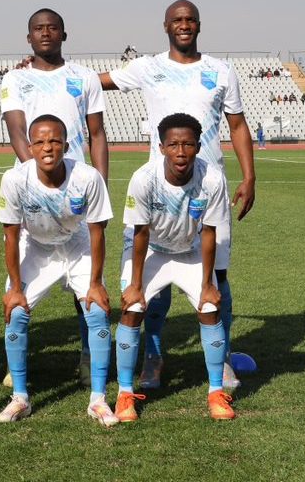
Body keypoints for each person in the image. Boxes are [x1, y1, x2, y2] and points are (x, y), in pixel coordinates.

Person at [100, 0, 255, 390]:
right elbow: (95, 81)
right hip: (160, 191)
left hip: (208, 189)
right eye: (177, 20)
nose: (183, 25)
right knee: (157, 278)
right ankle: (153, 357)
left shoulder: (220, 70)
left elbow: (237, 125)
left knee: (218, 277)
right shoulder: (148, 67)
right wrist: (44, 71)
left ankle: (222, 359)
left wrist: (249, 176)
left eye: (190, 20)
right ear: (165, 26)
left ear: (198, 25)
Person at [0, 8, 109, 388]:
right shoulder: (15, 78)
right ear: (28, 37)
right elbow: (18, 131)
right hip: (36, 197)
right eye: (38, 29)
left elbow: (97, 134)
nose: (45, 33)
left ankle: (87, 355)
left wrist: (99, 186)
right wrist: (39, 175)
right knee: (17, 289)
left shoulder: (84, 77)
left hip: (78, 195)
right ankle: (16, 367)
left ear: (64, 34)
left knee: (88, 287)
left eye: (52, 28)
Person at [113, 113, 235, 421]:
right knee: (132, 308)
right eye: (173, 145)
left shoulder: (212, 179)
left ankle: (216, 392)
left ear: (198, 147)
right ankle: (125, 394)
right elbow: (140, 233)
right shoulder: (144, 178)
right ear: (161, 147)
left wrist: (207, 285)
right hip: (150, 250)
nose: (181, 152)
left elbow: (210, 232)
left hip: (188, 250)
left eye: (188, 145)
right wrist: (135, 286)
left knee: (210, 306)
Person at [0, 114, 117, 426]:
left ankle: (98, 399)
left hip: (77, 245)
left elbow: (97, 232)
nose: (47, 147)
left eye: (54, 141)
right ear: (30, 147)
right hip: (36, 247)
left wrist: (95, 283)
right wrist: (15, 288)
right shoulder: (15, 179)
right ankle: (20, 398)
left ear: (66, 145)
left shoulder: (88, 177)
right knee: (16, 312)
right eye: (39, 142)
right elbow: (11, 236)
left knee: (97, 310)